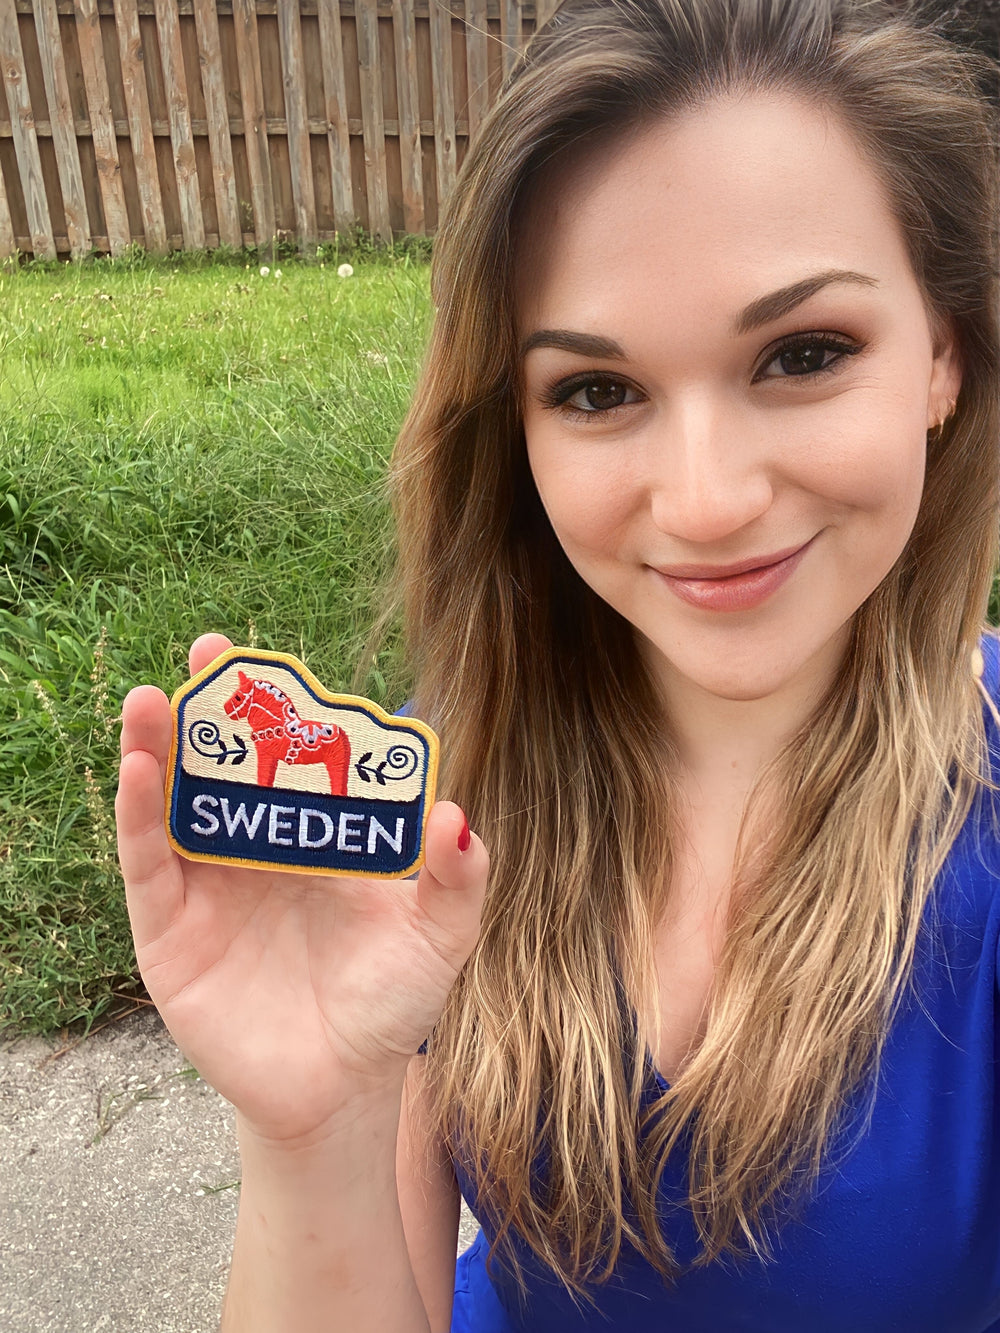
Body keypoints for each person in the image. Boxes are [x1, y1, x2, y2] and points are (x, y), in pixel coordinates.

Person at [115, 0, 1000, 1328]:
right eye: (597, 391)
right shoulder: (434, 791)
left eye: (804, 355)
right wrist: (314, 1127)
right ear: (515, 426)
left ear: (944, 354)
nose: (704, 501)